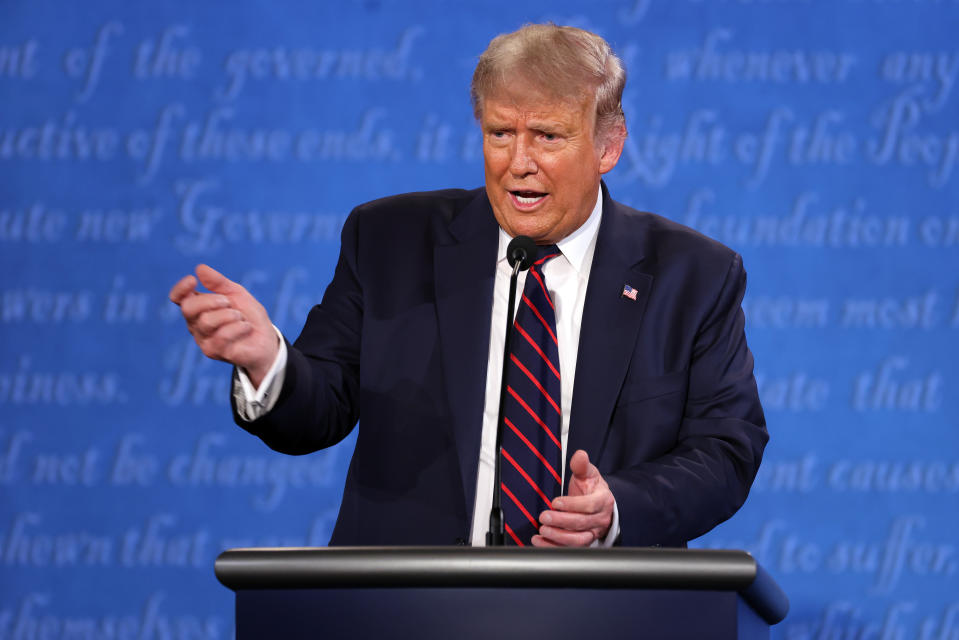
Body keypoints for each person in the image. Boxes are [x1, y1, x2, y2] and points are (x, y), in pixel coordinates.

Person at [169, 24, 767, 548]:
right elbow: (319, 407)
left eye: (548, 137)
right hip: (407, 607)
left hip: (603, 607)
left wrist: (616, 509)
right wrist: (269, 361)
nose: (518, 162)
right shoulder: (388, 242)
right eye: (500, 133)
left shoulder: (692, 275)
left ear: (608, 146)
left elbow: (725, 449)